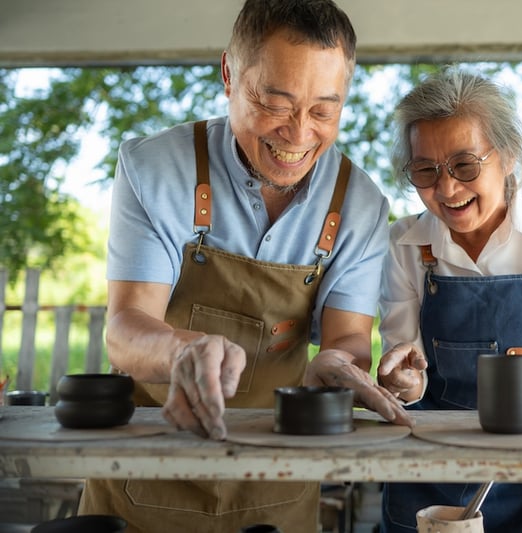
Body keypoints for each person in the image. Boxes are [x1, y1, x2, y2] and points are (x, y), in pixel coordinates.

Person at [77, 1, 411, 532]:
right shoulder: (154, 168)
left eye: (324, 110)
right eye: (275, 103)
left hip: (275, 488)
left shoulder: (361, 205)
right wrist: (179, 350)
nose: (299, 136)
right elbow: (125, 328)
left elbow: (347, 340)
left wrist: (337, 367)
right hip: (142, 477)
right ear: (230, 74)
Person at [376, 68, 522, 532]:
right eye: (426, 170)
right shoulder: (404, 244)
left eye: (465, 165)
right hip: (431, 484)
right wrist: (401, 381)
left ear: (507, 157)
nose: (447, 189)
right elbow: (408, 377)